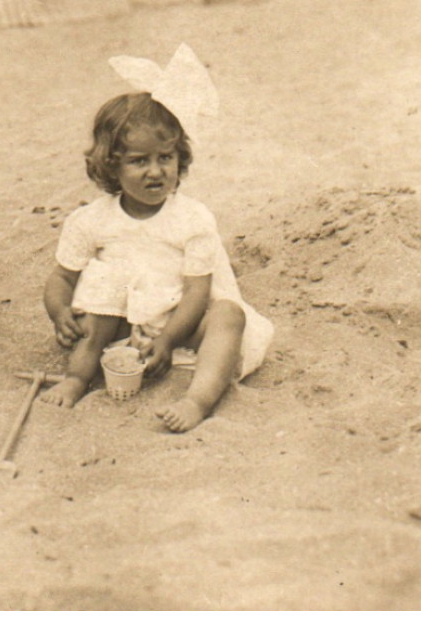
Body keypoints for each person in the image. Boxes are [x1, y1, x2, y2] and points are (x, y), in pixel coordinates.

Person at [39, 46, 274, 431]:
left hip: (181, 316)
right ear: (111, 166)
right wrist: (59, 311)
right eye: (139, 161)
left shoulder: (191, 218)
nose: (155, 172)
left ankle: (197, 400)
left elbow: (198, 292)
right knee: (94, 308)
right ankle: (77, 378)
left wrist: (167, 339)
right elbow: (63, 277)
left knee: (230, 316)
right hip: (120, 317)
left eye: (165, 157)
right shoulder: (91, 220)